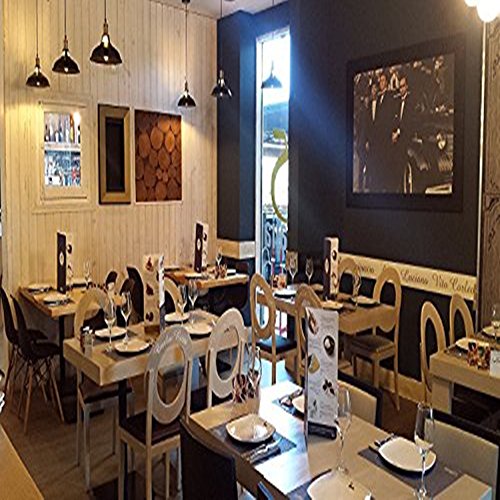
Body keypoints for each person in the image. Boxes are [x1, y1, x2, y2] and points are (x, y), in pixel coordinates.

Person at [371, 72, 396, 192]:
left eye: (383, 81)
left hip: (386, 136)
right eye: (380, 81)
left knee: (387, 163)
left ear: (386, 82)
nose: (381, 83)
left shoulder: (390, 96)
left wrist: (391, 132)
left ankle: (387, 187)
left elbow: (390, 116)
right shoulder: (379, 97)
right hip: (379, 137)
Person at [392, 75, 417, 193]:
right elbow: (396, 120)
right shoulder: (397, 102)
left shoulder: (411, 102)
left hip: (406, 139)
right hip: (398, 140)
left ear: (407, 86)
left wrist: (398, 132)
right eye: (400, 87)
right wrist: (394, 133)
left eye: (403, 86)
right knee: (397, 166)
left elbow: (408, 122)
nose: (401, 89)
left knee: (404, 166)